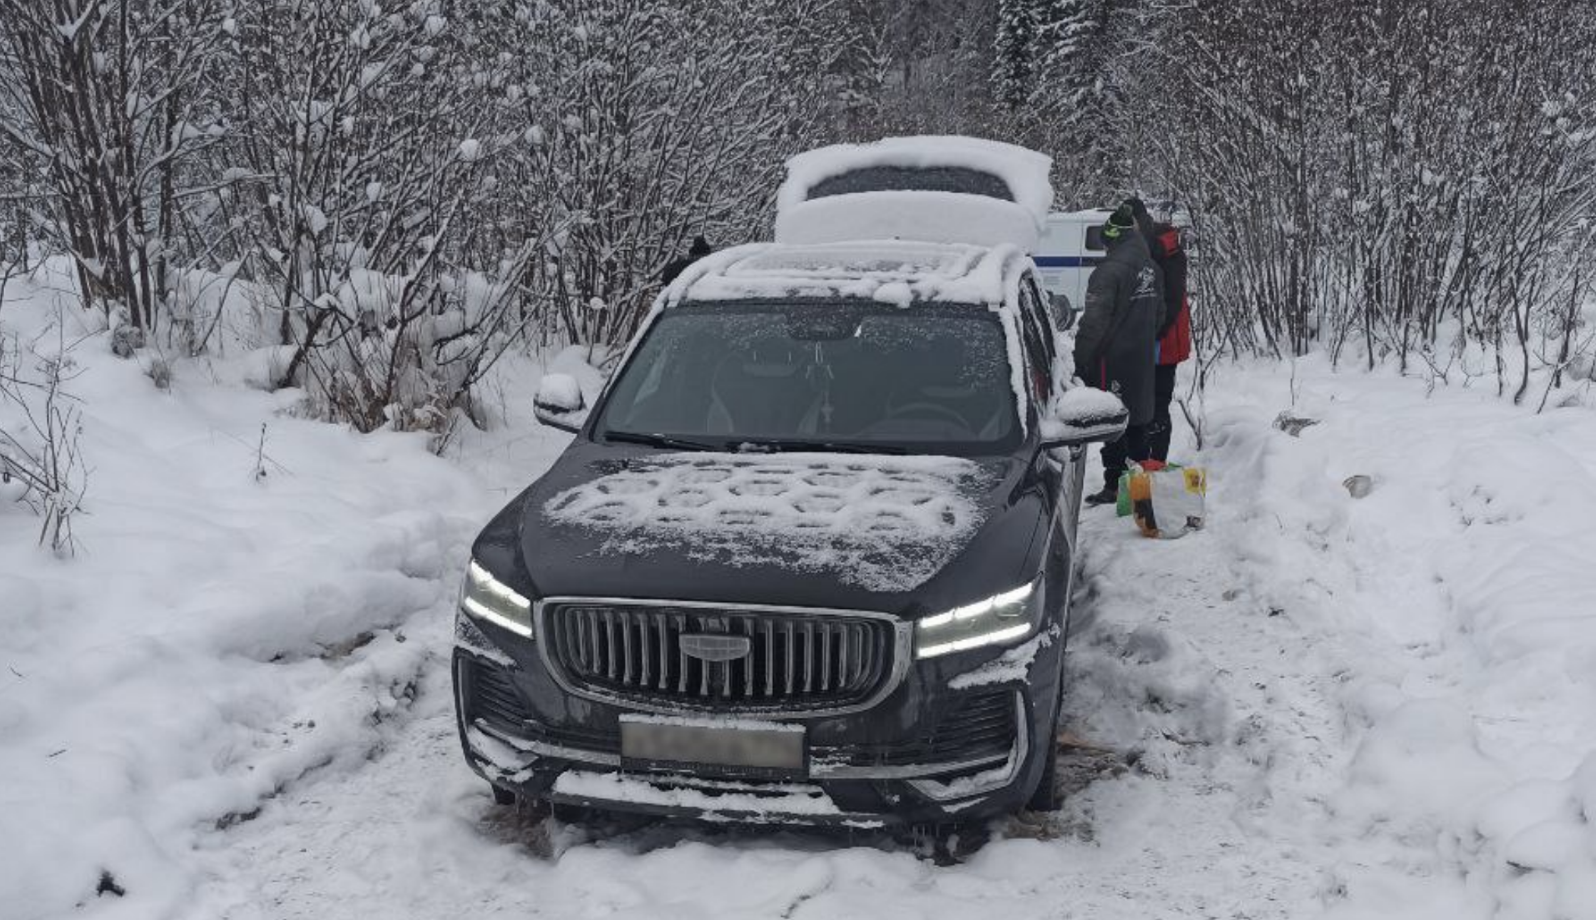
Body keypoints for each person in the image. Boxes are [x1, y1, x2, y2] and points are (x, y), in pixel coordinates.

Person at [1072, 202, 1165, 506]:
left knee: (1112, 422)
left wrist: (1081, 358)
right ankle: (1141, 486)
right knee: (1139, 420)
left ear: (1111, 239)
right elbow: (1160, 316)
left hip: (1111, 361)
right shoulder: (1153, 268)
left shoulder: (1107, 272)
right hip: (1142, 358)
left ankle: (1114, 485)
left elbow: (1093, 322)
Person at [1127, 198, 1191, 463]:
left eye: (1130, 224)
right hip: (1140, 341)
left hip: (1163, 342)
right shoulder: (1135, 247)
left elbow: (1173, 300)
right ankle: (1140, 467)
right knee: (1137, 406)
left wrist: (1152, 332)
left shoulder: (1168, 250)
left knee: (1157, 405)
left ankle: (1156, 466)